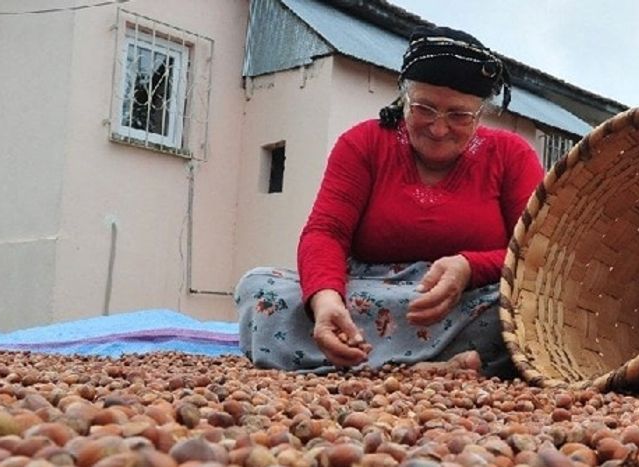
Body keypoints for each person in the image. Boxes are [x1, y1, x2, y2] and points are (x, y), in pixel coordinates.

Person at [234, 25, 545, 377]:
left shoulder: (511, 155)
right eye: (424, 108)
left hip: (467, 299)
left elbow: (534, 254)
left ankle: (365, 364)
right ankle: (444, 364)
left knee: (522, 312)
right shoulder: (363, 144)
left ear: (481, 114)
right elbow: (326, 232)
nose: (439, 128)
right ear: (403, 99)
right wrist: (326, 301)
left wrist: (469, 268)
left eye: (458, 115)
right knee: (260, 288)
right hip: (366, 289)